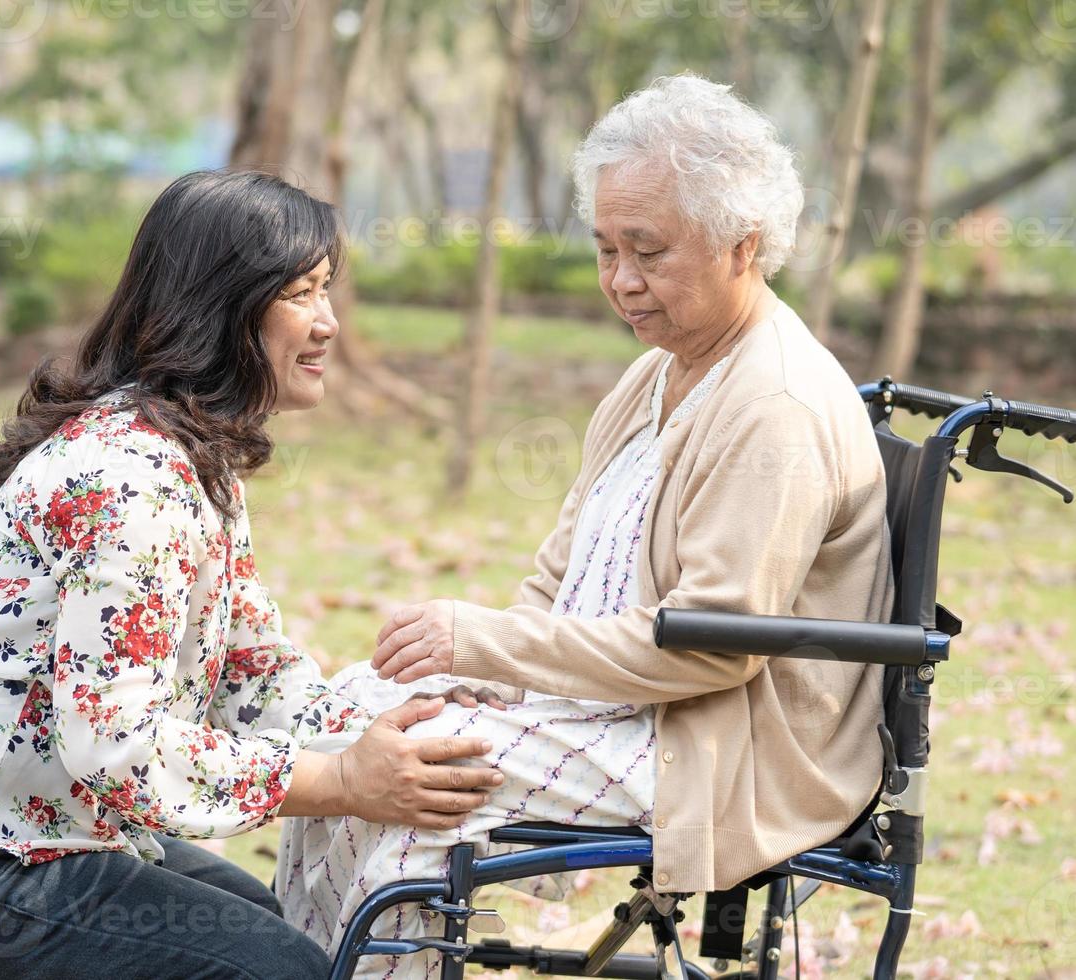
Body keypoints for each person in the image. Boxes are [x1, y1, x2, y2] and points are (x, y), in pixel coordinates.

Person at [0, 170, 502, 980]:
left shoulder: (189, 460)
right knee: (278, 974)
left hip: (9, 833)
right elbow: (117, 749)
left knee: (270, 934)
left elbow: (250, 672)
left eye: (326, 289)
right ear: (224, 308)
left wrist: (399, 726)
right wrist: (342, 780)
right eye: (302, 294)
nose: (330, 323)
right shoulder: (131, 480)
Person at [277, 74, 895, 979]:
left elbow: (712, 651)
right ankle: (300, 964)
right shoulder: (654, 376)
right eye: (606, 248)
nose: (622, 282)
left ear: (743, 247)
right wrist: (484, 667)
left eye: (649, 251)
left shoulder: (776, 408)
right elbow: (558, 577)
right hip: (624, 708)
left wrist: (490, 645)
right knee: (346, 721)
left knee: (422, 787)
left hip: (717, 750)